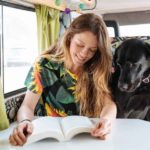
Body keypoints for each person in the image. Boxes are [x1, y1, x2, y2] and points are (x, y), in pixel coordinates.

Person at [9, 13, 117, 146]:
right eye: (80, 44)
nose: (84, 54)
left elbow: (109, 104)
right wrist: (25, 121)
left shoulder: (97, 68)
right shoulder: (43, 65)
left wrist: (106, 120)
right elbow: (27, 106)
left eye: (92, 50)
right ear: (70, 37)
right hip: (47, 139)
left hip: (86, 138)